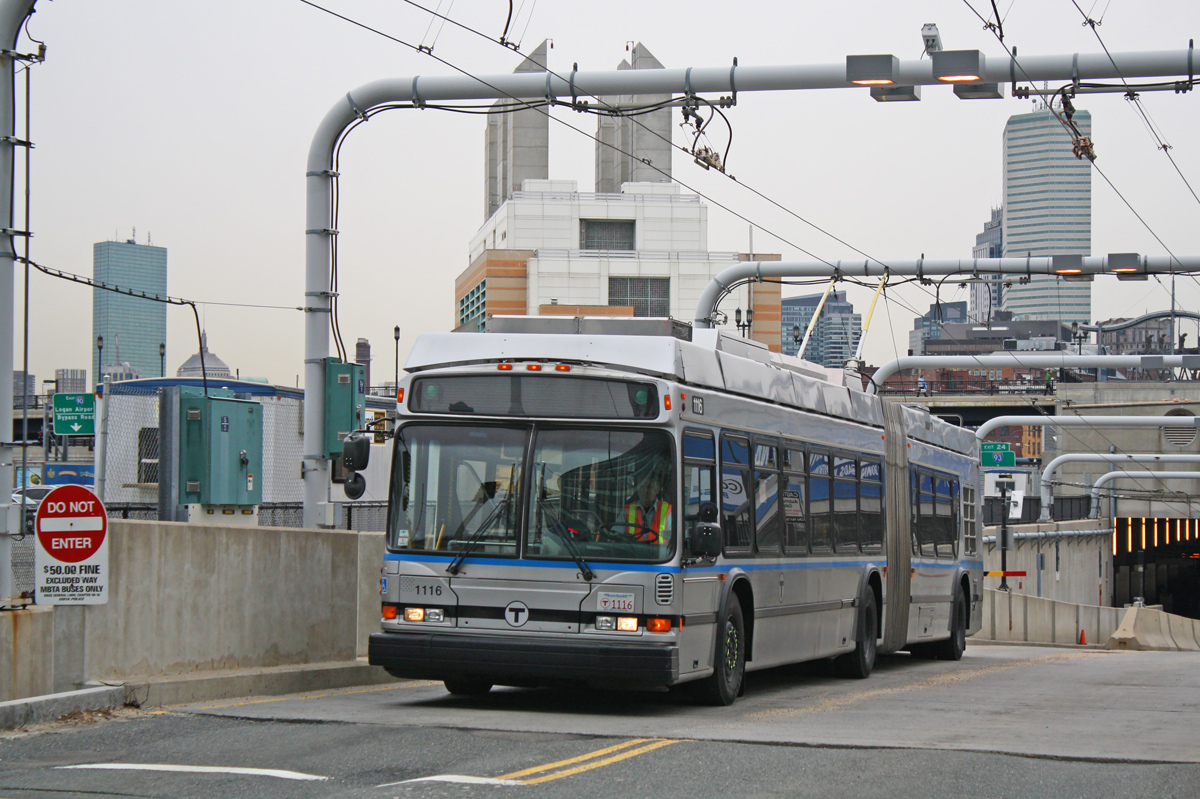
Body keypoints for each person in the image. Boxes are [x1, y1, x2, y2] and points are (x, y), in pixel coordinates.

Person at [622, 466, 673, 544]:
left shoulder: (667, 510)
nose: (645, 491)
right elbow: (616, 535)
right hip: (632, 554)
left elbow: (673, 538)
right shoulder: (627, 510)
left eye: (649, 487)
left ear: (657, 489)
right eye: (642, 487)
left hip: (661, 555)